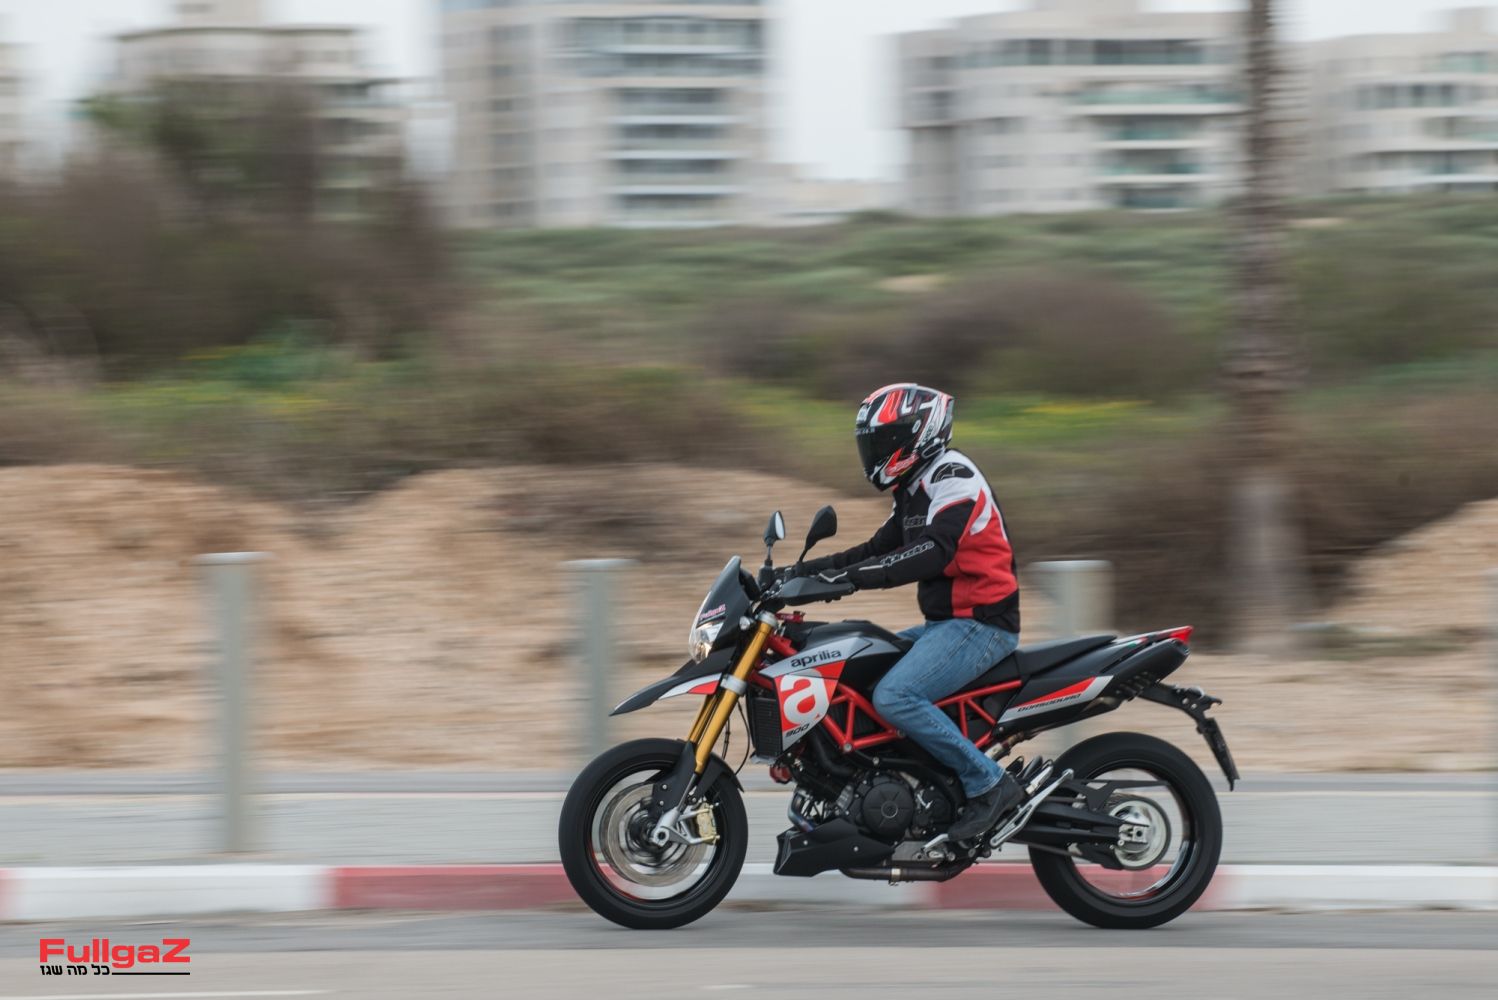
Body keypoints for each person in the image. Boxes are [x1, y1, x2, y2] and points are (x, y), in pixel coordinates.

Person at [794, 383, 1023, 841]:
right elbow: (873, 550)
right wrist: (797, 574)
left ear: (918, 434)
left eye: (883, 440)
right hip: (947, 626)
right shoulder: (914, 487)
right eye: (872, 443)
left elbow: (933, 551)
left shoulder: (953, 476)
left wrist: (850, 580)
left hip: (981, 624)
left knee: (895, 696)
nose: (875, 452)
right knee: (858, 668)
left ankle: (989, 784)